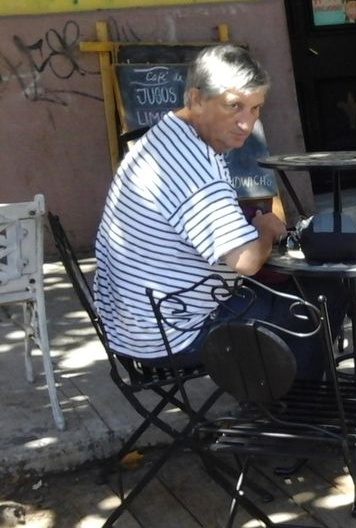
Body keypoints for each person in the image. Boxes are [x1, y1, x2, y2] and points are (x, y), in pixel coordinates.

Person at [94, 44, 332, 379]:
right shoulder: (193, 165)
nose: (246, 123)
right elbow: (245, 262)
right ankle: (300, 409)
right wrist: (265, 228)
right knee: (321, 297)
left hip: (133, 325)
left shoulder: (164, 136)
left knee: (290, 289)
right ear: (195, 100)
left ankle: (276, 396)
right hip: (173, 334)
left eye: (255, 109)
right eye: (234, 106)